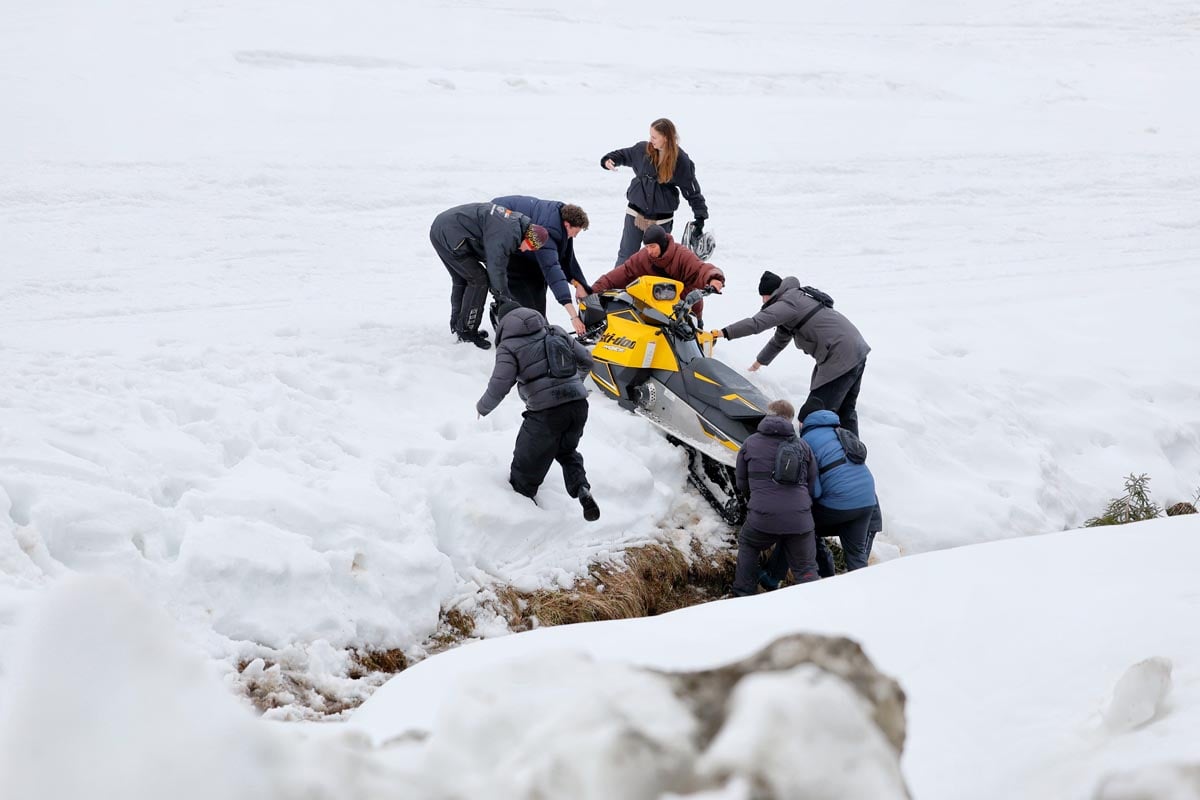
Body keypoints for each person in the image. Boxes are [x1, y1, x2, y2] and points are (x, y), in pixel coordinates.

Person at [475, 300, 600, 521]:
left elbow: (500, 384)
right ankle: (582, 488)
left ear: (501, 323)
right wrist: (573, 385)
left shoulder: (509, 346)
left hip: (546, 413)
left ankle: (525, 520)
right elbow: (587, 360)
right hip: (578, 407)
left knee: (525, 470)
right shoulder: (556, 331)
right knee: (565, 451)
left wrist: (482, 407)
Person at [711, 271, 870, 435]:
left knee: (812, 414)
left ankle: (811, 456)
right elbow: (778, 341)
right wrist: (756, 365)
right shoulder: (796, 298)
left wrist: (722, 333)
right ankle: (852, 454)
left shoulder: (787, 303)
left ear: (770, 294)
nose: (762, 301)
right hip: (856, 349)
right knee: (845, 410)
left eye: (763, 296)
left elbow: (756, 323)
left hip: (840, 355)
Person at [765, 403, 878, 580]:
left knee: (797, 528)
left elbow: (815, 490)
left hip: (839, 502)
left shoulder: (807, 441)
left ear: (803, 423)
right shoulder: (842, 432)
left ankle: (770, 578)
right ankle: (862, 595)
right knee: (856, 558)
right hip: (867, 501)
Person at [730, 399, 821, 596]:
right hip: (799, 520)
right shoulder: (803, 446)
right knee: (806, 569)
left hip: (763, 517)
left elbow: (742, 483)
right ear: (790, 419)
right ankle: (815, 602)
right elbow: (813, 485)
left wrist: (755, 499)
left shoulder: (750, 443)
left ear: (767, 414)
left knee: (749, 544)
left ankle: (743, 593)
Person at [430, 202, 549, 350]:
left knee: (462, 279)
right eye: (531, 247)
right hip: (450, 234)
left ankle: (458, 326)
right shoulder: (508, 234)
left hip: (443, 228)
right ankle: (467, 331)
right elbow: (495, 266)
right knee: (479, 280)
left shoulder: (514, 223)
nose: (526, 250)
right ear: (529, 237)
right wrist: (503, 297)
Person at [601, 118, 709, 266]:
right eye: (650, 136)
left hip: (661, 220)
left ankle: (657, 288)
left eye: (654, 137)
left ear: (665, 138)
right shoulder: (642, 150)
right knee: (627, 255)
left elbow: (692, 191)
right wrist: (608, 160)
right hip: (635, 214)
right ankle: (616, 287)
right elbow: (622, 155)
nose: (650, 140)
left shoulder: (680, 160)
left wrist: (700, 217)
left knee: (658, 260)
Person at [490, 195, 592, 335]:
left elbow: (565, 260)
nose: (574, 237)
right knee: (521, 291)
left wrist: (578, 284)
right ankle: (503, 316)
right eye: (575, 233)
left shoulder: (562, 220)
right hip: (505, 237)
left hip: (528, 244)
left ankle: (538, 321)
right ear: (567, 224)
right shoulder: (549, 231)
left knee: (538, 285)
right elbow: (553, 272)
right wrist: (573, 316)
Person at [589, 224, 725, 325]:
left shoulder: (681, 255)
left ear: (662, 243)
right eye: (647, 247)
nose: (649, 251)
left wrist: (714, 278)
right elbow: (622, 273)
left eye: (652, 247)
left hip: (685, 308)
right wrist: (593, 292)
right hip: (656, 309)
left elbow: (700, 269)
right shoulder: (643, 258)